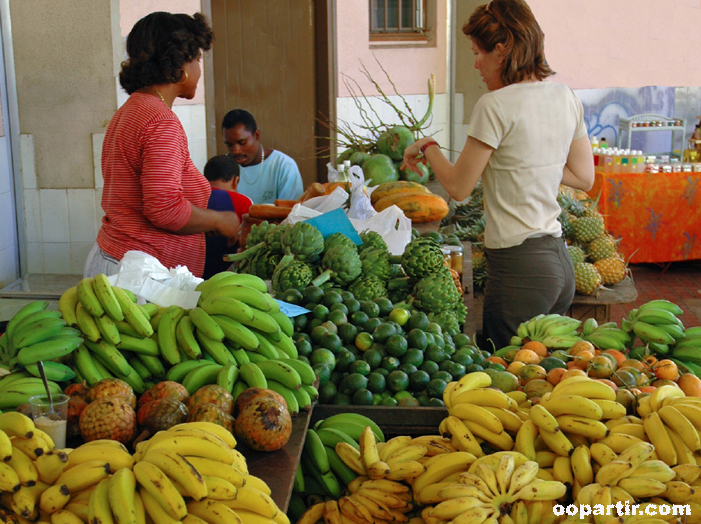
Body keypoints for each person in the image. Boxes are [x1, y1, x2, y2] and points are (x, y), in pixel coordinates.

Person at [402, 0, 595, 350]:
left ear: (503, 48)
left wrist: (428, 147)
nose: (475, 63)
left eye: (478, 52)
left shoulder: (494, 105)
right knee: (545, 380)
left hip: (519, 270)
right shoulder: (566, 96)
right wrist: (533, 162)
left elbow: (459, 187)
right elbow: (584, 177)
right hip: (558, 265)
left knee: (506, 382)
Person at [84, 12, 240, 279]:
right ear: (180, 65)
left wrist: (201, 219)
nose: (199, 70)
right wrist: (219, 220)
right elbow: (164, 209)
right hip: (137, 276)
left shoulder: (131, 110)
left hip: (119, 263)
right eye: (198, 59)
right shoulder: (160, 121)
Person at [222, 109, 304, 204]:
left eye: (242, 143)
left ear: (257, 135)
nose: (236, 151)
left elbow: (291, 212)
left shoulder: (283, 165)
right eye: (229, 145)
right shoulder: (222, 168)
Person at [202, 155, 253, 278]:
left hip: (193, 271)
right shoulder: (244, 202)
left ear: (204, 178)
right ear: (236, 181)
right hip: (227, 275)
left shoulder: (193, 199)